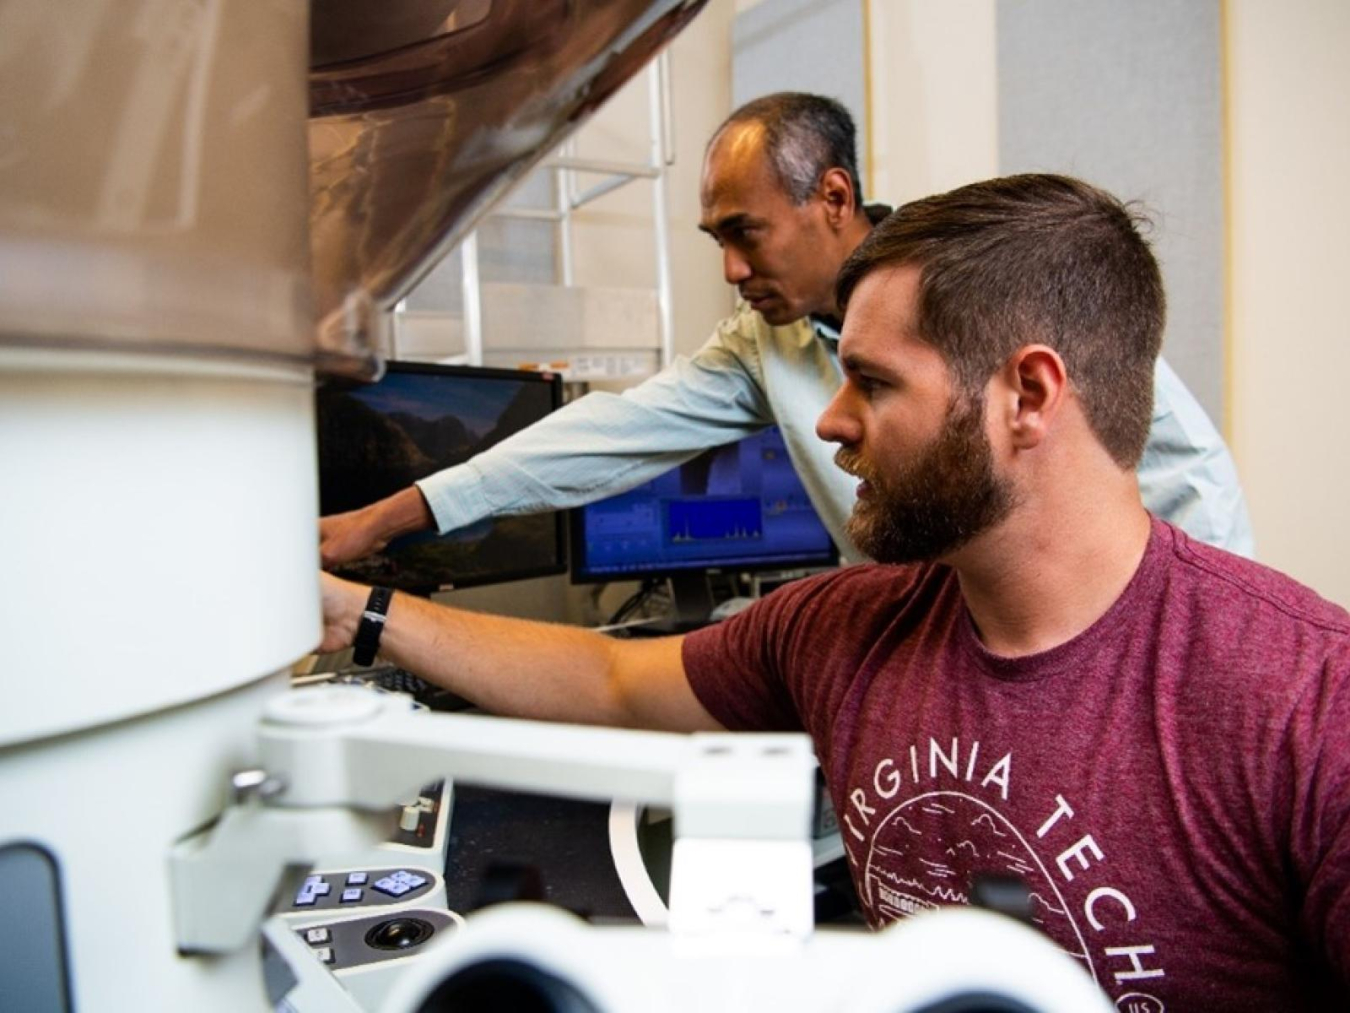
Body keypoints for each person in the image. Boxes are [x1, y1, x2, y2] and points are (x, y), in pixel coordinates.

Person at [319, 174, 1349, 1010]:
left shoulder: (1306, 702)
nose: (826, 421)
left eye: (875, 382)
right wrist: (360, 611)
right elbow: (613, 677)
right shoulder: (847, 623)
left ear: (1027, 395)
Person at [319, 93, 1254, 569]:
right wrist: (385, 518)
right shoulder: (763, 342)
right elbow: (599, 438)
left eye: (745, 232)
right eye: (714, 238)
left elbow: (1177, 463)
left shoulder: (989, 272)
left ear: (834, 198)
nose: (729, 269)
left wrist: (1188, 652)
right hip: (927, 651)